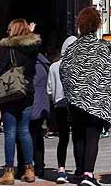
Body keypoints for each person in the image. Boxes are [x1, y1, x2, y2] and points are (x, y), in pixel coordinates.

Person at [60, 7, 111, 186]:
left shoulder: (72, 48)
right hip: (96, 100)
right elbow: (109, 73)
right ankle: (88, 173)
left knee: (78, 135)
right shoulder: (102, 48)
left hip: (75, 99)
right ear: (96, 25)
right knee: (92, 136)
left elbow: (63, 70)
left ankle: (78, 170)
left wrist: (72, 90)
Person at [0, 19, 41, 184]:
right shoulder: (33, 48)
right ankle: (29, 170)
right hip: (28, 92)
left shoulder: (10, 48)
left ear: (13, 29)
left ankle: (9, 172)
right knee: (24, 130)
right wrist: (31, 31)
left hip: (12, 92)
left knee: (10, 132)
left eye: (9, 28)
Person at [47, 41, 72, 185]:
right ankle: (81, 168)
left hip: (59, 104)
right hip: (74, 104)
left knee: (63, 138)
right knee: (79, 137)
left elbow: (49, 90)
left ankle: (61, 169)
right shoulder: (76, 66)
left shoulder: (53, 67)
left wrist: (55, 97)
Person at [30, 49, 51, 180]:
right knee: (37, 136)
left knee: (28, 136)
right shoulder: (44, 63)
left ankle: (29, 166)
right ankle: (39, 165)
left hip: (32, 104)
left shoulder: (33, 64)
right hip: (43, 104)